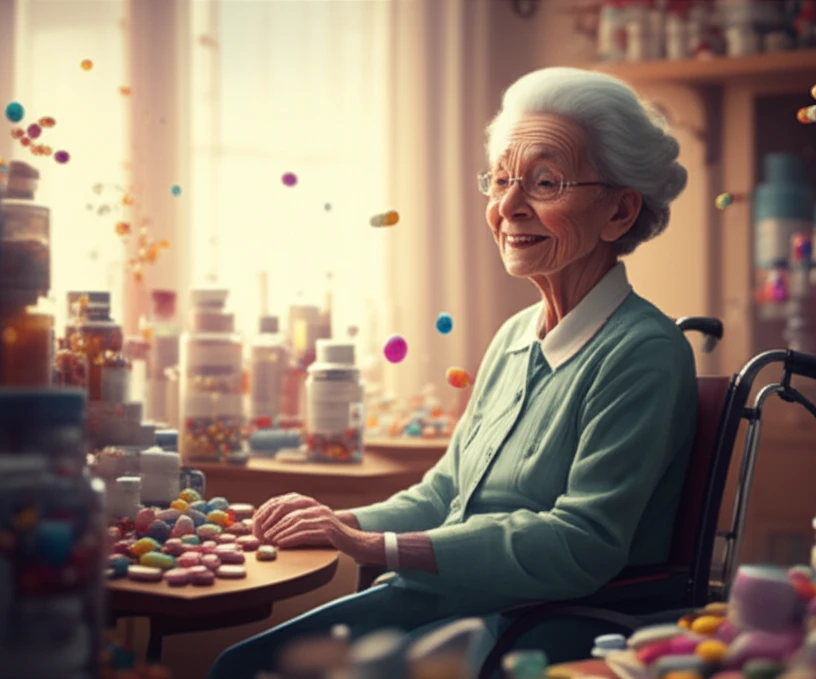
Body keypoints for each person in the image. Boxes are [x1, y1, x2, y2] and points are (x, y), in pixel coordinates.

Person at [208, 66, 697, 679]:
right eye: (500, 180)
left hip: (543, 619)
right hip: (456, 599)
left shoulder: (643, 352)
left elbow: (583, 542)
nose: (508, 207)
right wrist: (340, 524)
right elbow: (447, 493)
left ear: (620, 212)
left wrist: (380, 548)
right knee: (242, 665)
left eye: (544, 182)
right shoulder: (516, 335)